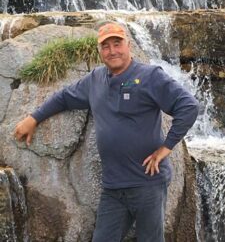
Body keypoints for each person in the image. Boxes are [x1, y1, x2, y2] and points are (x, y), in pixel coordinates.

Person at [14, 22, 199, 242]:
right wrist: (34, 118)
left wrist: (166, 148)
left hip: (148, 184)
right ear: (100, 51)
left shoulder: (150, 76)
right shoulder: (95, 80)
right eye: (106, 46)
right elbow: (64, 97)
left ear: (128, 45)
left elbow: (188, 106)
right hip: (113, 188)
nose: (112, 51)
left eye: (117, 44)